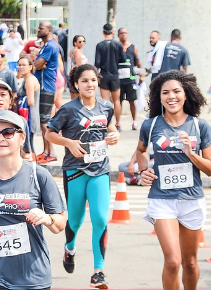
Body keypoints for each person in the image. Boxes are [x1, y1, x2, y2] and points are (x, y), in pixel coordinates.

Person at [0, 109, 67, 290]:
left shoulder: (38, 175)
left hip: (32, 276)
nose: (0, 138)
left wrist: (46, 218)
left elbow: (60, 223)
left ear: (22, 137)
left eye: (8, 132)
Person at [135, 70, 211, 290]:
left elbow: (210, 169)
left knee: (189, 262)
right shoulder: (150, 125)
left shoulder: (200, 126)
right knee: (173, 261)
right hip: (161, 200)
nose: (172, 97)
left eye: (176, 91)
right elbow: (140, 151)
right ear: (159, 97)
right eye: (165, 93)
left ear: (186, 94)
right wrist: (143, 171)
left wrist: (191, 154)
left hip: (192, 200)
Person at [46, 64, 120, 289]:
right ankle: (70, 249)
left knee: (99, 218)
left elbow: (111, 127)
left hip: (100, 170)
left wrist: (114, 135)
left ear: (98, 82)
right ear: (76, 84)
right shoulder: (68, 109)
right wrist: (69, 142)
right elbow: (50, 133)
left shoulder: (106, 106)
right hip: (75, 171)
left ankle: (98, 272)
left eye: (93, 80)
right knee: (75, 220)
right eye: (84, 81)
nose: (90, 85)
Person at [34, 20, 60, 164]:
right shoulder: (45, 46)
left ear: (48, 31)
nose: (38, 30)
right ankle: (46, 151)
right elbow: (38, 65)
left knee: (44, 122)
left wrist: (36, 65)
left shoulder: (50, 46)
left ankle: (51, 152)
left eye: (41, 28)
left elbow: (36, 65)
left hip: (46, 87)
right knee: (42, 121)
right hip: (42, 86)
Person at [95, 23, 126, 131]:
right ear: (113, 32)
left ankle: (108, 124)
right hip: (115, 75)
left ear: (103, 33)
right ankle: (118, 124)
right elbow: (123, 59)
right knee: (117, 101)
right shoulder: (118, 45)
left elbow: (97, 62)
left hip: (104, 75)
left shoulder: (100, 45)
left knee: (105, 101)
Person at [117, 27, 143, 130]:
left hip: (130, 79)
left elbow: (138, 62)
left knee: (132, 101)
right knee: (119, 101)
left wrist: (141, 75)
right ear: (118, 35)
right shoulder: (116, 47)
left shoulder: (133, 47)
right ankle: (118, 123)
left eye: (125, 33)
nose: (123, 35)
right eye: (121, 33)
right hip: (118, 80)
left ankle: (134, 122)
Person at [17, 56, 40, 153]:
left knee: (28, 146)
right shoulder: (26, 79)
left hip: (29, 117)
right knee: (27, 145)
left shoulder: (30, 80)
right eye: (19, 65)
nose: (21, 67)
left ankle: (34, 166)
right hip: (27, 116)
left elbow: (30, 101)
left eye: (24, 65)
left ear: (30, 67)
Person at [69, 35, 89, 99]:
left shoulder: (73, 50)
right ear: (75, 43)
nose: (82, 43)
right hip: (77, 76)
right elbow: (78, 65)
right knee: (78, 99)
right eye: (80, 42)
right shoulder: (77, 51)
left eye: (84, 41)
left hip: (74, 75)